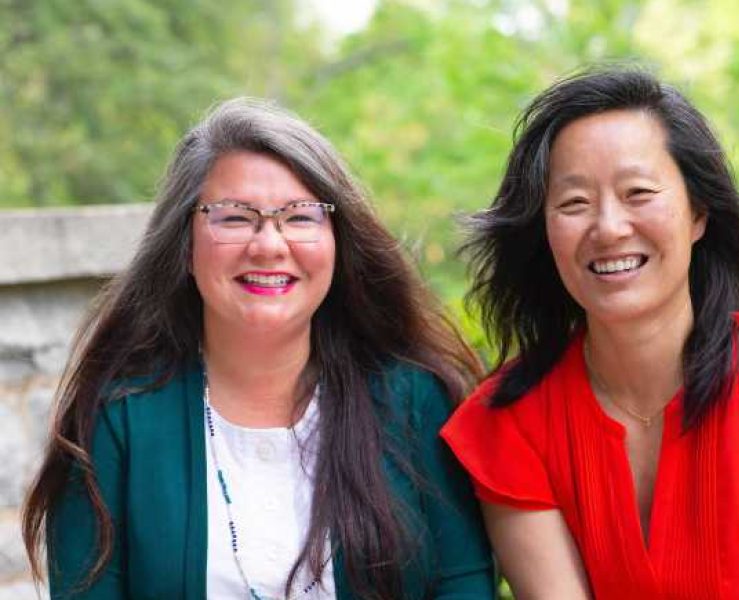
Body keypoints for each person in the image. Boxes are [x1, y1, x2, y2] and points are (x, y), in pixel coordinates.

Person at [440, 67, 739, 599]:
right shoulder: (511, 423)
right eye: (574, 203)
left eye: (638, 192)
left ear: (698, 213)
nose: (609, 227)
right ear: (543, 230)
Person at [22, 98, 494, 600]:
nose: (269, 244)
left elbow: (463, 585)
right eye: (234, 217)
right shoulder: (117, 421)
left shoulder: (414, 400)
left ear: (337, 242)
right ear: (185, 245)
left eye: (300, 217)